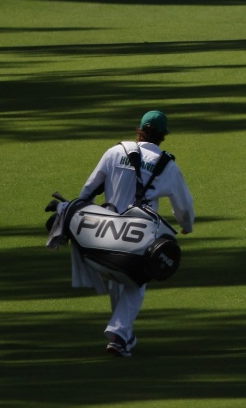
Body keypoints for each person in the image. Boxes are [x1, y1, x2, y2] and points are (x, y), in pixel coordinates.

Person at [72, 110, 194, 357]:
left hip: (105, 231)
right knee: (136, 282)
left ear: (139, 129)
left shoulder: (115, 151)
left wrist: (74, 215)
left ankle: (123, 336)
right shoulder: (167, 165)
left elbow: (88, 190)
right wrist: (186, 225)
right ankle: (118, 334)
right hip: (139, 234)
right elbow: (184, 206)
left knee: (118, 277)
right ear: (163, 136)